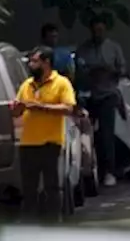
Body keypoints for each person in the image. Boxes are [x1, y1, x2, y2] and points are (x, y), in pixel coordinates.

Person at [13, 46, 77, 221]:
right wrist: (17, 108)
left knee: (52, 187)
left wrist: (41, 107)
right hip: (28, 143)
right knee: (29, 189)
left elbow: (68, 108)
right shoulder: (27, 85)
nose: (31, 65)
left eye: (34, 61)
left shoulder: (61, 83)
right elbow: (17, 111)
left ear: (46, 63)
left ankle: (53, 224)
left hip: (50, 143)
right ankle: (30, 226)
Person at [75, 17, 126, 187]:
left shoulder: (113, 48)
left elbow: (122, 69)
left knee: (107, 133)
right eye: (95, 31)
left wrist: (112, 71)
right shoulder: (84, 49)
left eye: (101, 30)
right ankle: (94, 169)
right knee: (90, 134)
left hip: (107, 94)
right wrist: (90, 72)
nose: (98, 34)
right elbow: (79, 70)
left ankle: (110, 171)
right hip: (90, 95)